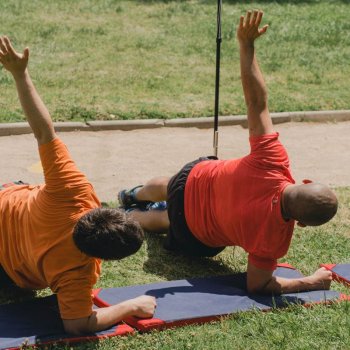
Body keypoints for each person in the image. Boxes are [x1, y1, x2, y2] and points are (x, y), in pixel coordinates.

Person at [119, 10, 338, 295]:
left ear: (305, 182)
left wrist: (247, 46)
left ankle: (134, 194)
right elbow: (259, 284)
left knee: (171, 185)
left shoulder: (273, 160)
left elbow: (256, 103)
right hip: (193, 229)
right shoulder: (276, 238)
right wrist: (311, 282)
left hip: (191, 180)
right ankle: (129, 216)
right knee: (165, 220)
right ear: (303, 224)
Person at [0, 36, 156, 335]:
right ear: (100, 259)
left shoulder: (73, 190)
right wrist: (132, 306)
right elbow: (77, 325)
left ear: (102, 210)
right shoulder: (77, 272)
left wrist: (20, 74)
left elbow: (44, 131)